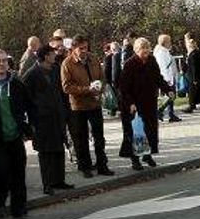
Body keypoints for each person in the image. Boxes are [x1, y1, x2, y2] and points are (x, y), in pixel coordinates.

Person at [0, 49, 36, 219]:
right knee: (1, 172)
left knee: (18, 172)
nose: (2, 64)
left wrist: (28, 126)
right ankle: (0, 201)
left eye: (4, 60)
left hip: (15, 136)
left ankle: (19, 208)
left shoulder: (16, 84)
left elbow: (30, 106)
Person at [61, 35, 114, 178]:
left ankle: (102, 164)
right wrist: (86, 89)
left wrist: (100, 88)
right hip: (78, 106)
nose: (84, 51)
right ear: (73, 48)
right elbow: (66, 87)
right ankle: (85, 166)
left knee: (99, 136)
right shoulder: (67, 63)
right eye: (81, 48)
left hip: (95, 103)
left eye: (86, 47)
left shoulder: (93, 58)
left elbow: (102, 77)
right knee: (81, 138)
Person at [24, 45, 73, 196]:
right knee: (45, 153)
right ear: (46, 56)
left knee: (59, 149)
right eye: (52, 53)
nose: (55, 55)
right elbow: (27, 98)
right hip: (41, 120)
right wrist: (32, 119)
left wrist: (66, 112)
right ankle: (47, 184)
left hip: (58, 116)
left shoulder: (55, 70)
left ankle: (59, 180)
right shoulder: (31, 74)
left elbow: (62, 92)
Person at [118, 37, 173, 170]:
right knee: (136, 132)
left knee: (150, 130)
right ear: (136, 50)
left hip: (149, 102)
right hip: (133, 105)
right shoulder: (130, 64)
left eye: (148, 49)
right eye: (143, 50)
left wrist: (167, 89)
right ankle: (135, 159)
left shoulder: (151, 60)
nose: (146, 53)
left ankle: (147, 155)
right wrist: (130, 103)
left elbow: (157, 77)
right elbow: (124, 87)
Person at [153, 34, 181, 123]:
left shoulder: (165, 51)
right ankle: (160, 111)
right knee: (171, 96)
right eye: (169, 41)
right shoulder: (161, 53)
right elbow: (163, 67)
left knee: (171, 96)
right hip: (167, 77)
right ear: (165, 43)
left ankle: (170, 113)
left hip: (169, 76)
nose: (170, 43)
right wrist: (167, 79)